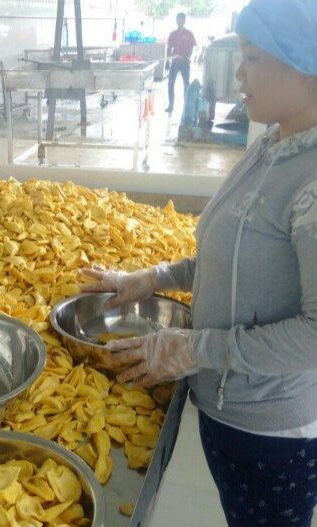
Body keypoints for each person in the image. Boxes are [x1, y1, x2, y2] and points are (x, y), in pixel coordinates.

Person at [82, 0, 317, 524]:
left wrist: (194, 348)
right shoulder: (272, 146)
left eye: (252, 58)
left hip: (273, 433)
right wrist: (152, 279)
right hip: (225, 410)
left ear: (304, 67)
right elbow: (231, 256)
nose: (238, 73)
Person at [166, 13, 197, 113]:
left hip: (185, 63)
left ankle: (186, 107)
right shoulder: (172, 34)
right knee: (170, 83)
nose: (179, 21)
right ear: (176, 20)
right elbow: (169, 48)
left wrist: (186, 57)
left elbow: (191, 48)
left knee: (186, 84)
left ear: (184, 21)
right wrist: (168, 60)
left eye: (181, 19)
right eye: (178, 19)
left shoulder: (189, 34)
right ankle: (170, 106)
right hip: (174, 63)